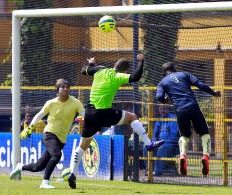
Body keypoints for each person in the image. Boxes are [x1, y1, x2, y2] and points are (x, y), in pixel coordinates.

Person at [68, 54, 165, 189]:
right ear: (124, 71)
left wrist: (91, 64)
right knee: (132, 117)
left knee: (82, 146)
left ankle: (72, 174)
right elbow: (136, 77)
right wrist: (141, 62)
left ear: (114, 64)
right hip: (104, 113)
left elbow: (83, 70)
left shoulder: (99, 70)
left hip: (89, 113)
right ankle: (148, 144)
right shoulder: (118, 76)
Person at [9, 79, 85, 189]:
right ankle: (45, 182)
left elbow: (84, 115)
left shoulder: (75, 102)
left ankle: (20, 167)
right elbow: (39, 115)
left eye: (68, 87)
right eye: (63, 87)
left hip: (62, 139)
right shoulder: (51, 103)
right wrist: (29, 128)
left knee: (38, 166)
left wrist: (84, 118)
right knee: (57, 155)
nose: (66, 88)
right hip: (49, 134)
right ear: (57, 90)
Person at [156, 62, 221, 176]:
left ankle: (182, 155)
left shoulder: (162, 82)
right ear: (175, 69)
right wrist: (213, 93)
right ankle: (205, 156)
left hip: (180, 110)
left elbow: (159, 97)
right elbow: (200, 85)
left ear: (164, 73)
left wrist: (165, 99)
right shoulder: (184, 74)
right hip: (193, 106)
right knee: (204, 133)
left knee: (184, 135)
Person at [143, 104, 179, 176]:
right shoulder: (159, 120)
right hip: (160, 143)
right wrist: (154, 141)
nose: (163, 111)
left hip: (171, 144)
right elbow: (155, 134)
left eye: (164, 109)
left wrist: (162, 143)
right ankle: (149, 169)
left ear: (168, 109)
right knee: (146, 146)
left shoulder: (173, 119)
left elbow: (173, 135)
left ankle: (157, 172)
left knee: (162, 148)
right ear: (159, 110)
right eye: (161, 109)